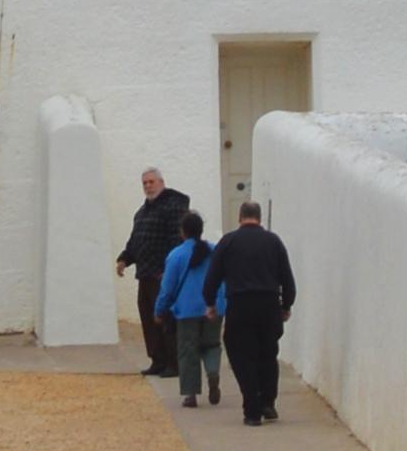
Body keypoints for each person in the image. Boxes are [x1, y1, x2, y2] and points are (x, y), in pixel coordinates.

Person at [205, 195, 297, 424]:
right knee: (268, 354)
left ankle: (252, 409)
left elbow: (212, 278)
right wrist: (286, 305)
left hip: (240, 305)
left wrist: (210, 303)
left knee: (241, 356)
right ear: (259, 218)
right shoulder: (274, 242)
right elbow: (287, 278)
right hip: (268, 304)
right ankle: (268, 402)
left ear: (239, 218)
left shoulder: (228, 242)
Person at [116, 165, 198, 379]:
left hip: (163, 276)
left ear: (162, 183)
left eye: (151, 182)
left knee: (166, 319)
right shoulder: (142, 213)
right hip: (145, 274)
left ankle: (173, 362)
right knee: (149, 319)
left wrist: (167, 269)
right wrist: (125, 259)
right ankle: (158, 360)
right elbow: (136, 241)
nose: (148, 186)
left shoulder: (173, 207)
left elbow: (176, 239)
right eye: (145, 183)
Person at [157, 215, 226, 409]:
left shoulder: (176, 255)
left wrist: (159, 310)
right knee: (212, 345)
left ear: (183, 231)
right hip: (214, 306)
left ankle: (191, 393)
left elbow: (167, 288)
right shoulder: (215, 251)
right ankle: (213, 373)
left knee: (188, 351)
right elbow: (225, 280)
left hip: (186, 309)